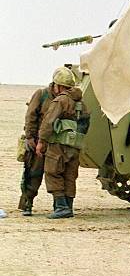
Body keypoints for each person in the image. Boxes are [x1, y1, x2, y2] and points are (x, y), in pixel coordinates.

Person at [36, 67, 88, 219]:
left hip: (58, 145)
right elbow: (86, 124)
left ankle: (61, 206)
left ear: (58, 86)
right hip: (75, 145)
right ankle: (68, 207)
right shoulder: (81, 103)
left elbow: (48, 122)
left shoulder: (60, 100)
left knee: (53, 172)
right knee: (70, 175)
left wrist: (42, 141)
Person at [18, 73, 58, 215]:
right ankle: (27, 204)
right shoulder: (42, 94)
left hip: (54, 143)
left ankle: (59, 206)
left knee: (56, 174)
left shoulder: (63, 99)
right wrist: (29, 137)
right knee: (33, 173)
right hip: (36, 141)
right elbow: (31, 116)